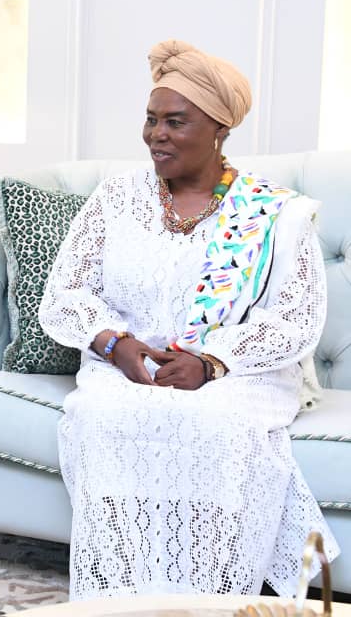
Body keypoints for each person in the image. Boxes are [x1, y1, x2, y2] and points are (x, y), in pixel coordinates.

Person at [38, 40, 339, 599]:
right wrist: (114, 344)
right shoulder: (117, 198)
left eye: (176, 122)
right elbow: (65, 292)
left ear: (220, 129)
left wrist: (212, 362)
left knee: (219, 422)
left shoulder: (274, 213)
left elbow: (295, 319)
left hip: (237, 372)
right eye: (151, 120)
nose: (157, 134)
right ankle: (120, 598)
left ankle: (211, 598)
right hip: (128, 365)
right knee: (100, 414)